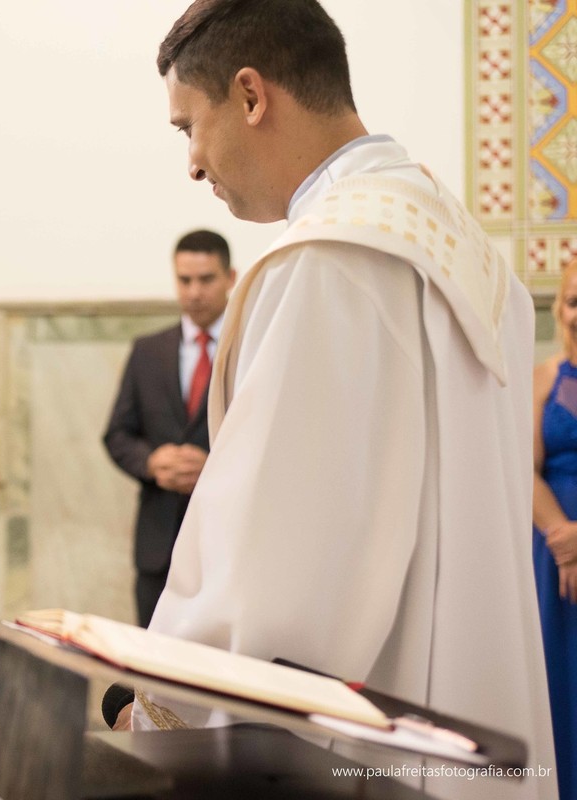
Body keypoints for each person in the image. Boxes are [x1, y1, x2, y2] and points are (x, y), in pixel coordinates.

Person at [123, 2, 556, 797]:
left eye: (188, 126)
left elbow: (276, 572)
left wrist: (159, 708)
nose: (190, 162)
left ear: (251, 96)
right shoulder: (471, 255)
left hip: (360, 757)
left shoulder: (328, 261)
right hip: (466, 723)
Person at [103, 229, 235, 625]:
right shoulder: (148, 351)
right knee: (151, 674)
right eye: (185, 280)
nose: (194, 292)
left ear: (230, 278)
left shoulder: (252, 345)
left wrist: (214, 467)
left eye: (206, 279)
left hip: (226, 544)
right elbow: (117, 434)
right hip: (157, 549)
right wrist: (151, 462)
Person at [532, 258, 577, 800]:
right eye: (573, 301)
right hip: (552, 549)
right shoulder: (543, 378)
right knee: (560, 680)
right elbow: (524, 466)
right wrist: (564, 543)